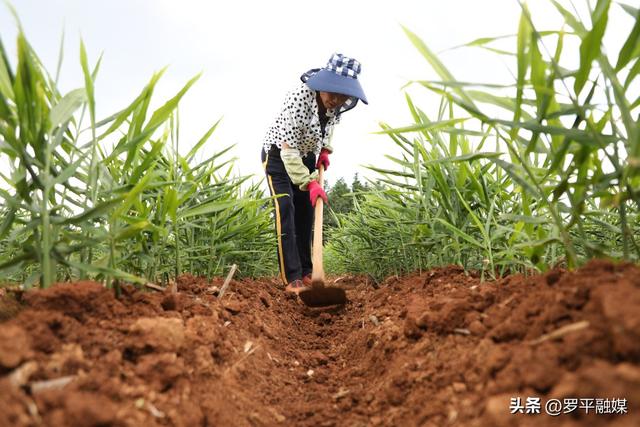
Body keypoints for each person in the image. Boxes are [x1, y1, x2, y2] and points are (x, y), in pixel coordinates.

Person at [261, 53, 368, 294]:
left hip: (308, 155)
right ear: (322, 84)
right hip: (280, 155)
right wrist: (309, 184)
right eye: (333, 92)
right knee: (286, 208)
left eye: (343, 95)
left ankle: (308, 272)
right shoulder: (299, 98)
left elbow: (328, 129)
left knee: (306, 213)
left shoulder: (335, 106)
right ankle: (292, 277)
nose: (336, 99)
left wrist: (325, 151)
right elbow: (289, 153)